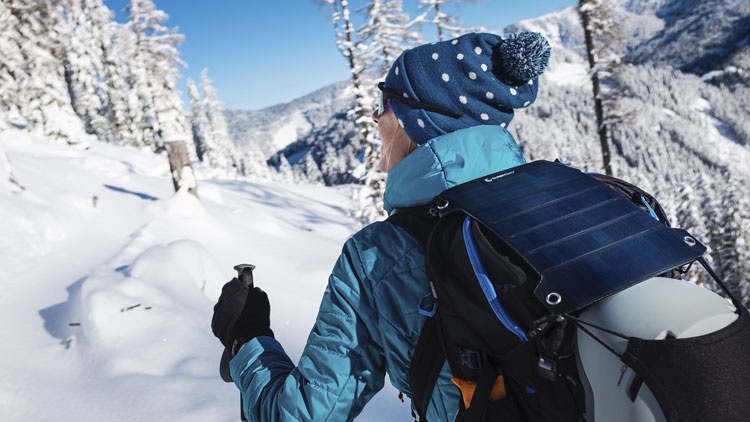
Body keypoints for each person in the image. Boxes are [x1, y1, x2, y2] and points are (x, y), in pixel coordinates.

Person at [212, 31, 551, 421]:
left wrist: (246, 338)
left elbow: (304, 414)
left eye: (383, 102)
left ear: (418, 119)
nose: (374, 116)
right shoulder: (575, 199)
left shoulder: (377, 256)